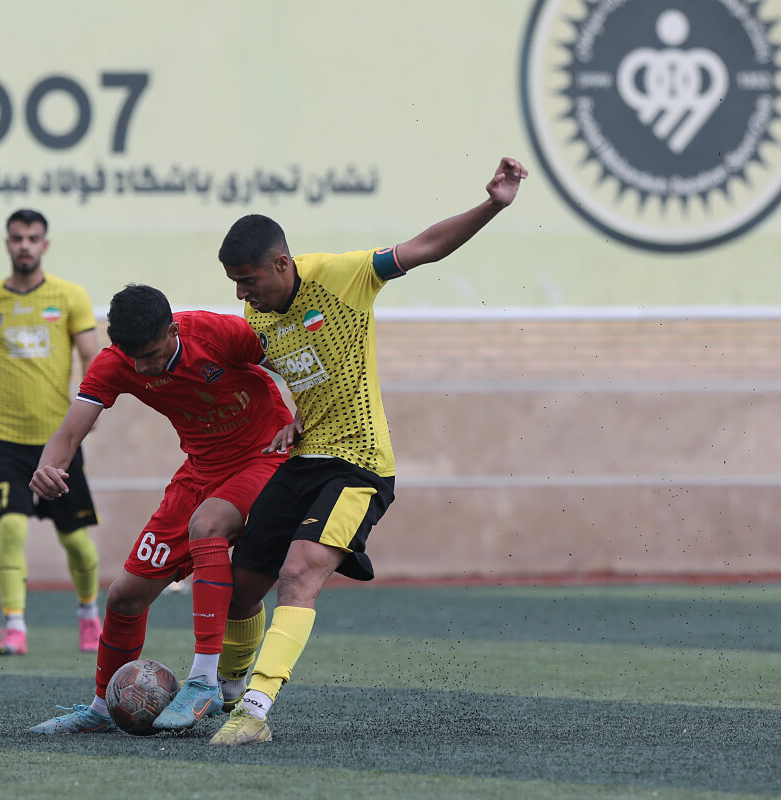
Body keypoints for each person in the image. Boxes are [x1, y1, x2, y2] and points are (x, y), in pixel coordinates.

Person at [208, 157, 529, 745]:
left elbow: (426, 247)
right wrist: (296, 421)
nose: (240, 293)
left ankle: (255, 709)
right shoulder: (259, 312)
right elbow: (313, 372)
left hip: (358, 466)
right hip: (303, 460)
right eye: (234, 281)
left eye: (247, 280)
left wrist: (493, 204)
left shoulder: (344, 276)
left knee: (298, 574)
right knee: (242, 584)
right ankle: (225, 693)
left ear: (281, 264)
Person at [28, 284, 293, 734]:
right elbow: (69, 435)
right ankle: (101, 709)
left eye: (150, 355)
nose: (142, 368)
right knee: (124, 596)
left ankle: (205, 680)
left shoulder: (220, 333)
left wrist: (304, 417)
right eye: (133, 358)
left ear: (173, 331)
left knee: (207, 525)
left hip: (266, 457)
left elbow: (297, 365)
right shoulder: (117, 362)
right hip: (201, 470)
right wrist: (47, 467)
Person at [0, 209, 102, 657]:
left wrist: (92, 406)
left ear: (45, 245)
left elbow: (91, 356)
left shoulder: (69, 296)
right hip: (6, 439)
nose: (25, 246)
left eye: (33, 238)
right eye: (17, 238)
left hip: (59, 442)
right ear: (7, 244)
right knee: (11, 530)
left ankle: (89, 617)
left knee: (77, 542)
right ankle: (14, 627)